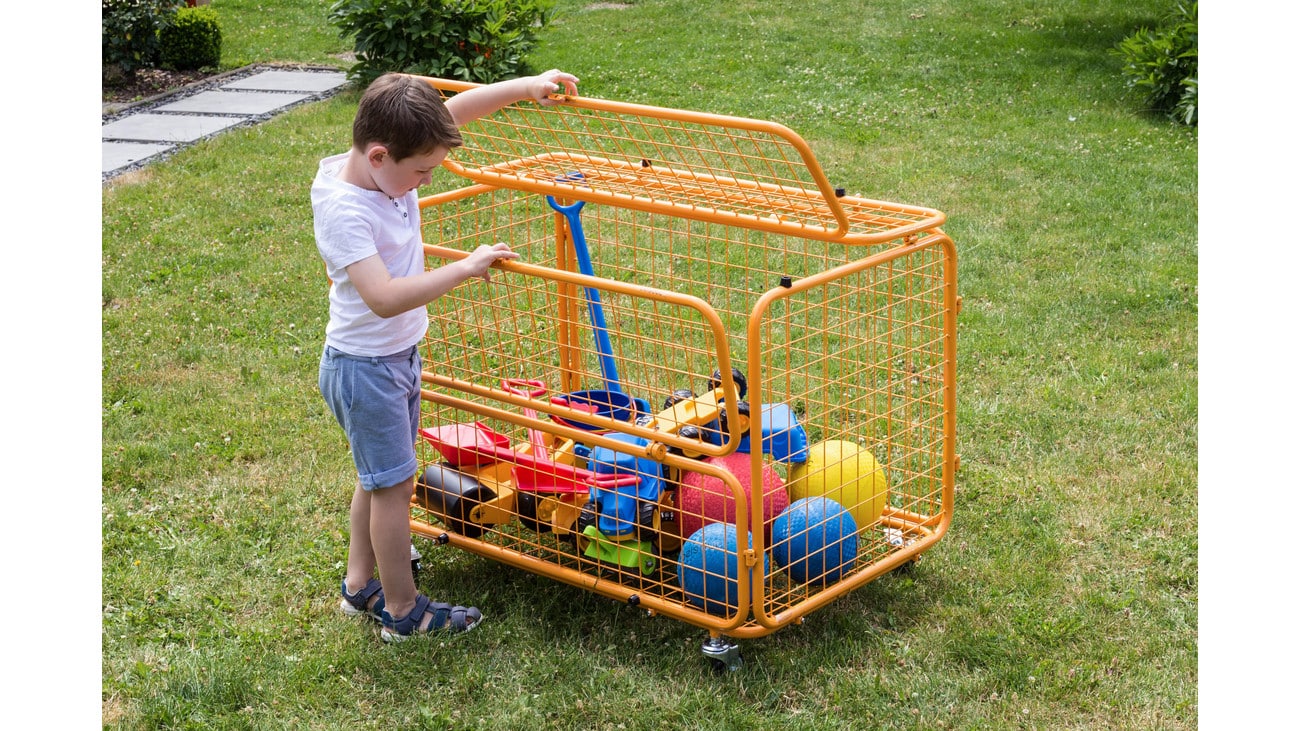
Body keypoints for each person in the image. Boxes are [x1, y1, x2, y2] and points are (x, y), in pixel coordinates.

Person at [313, 69, 579, 640]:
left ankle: (361, 585)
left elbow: (456, 113)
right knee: (393, 487)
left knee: (381, 477)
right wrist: (463, 267)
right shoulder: (347, 209)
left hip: (392, 359)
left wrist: (525, 86)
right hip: (366, 368)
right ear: (379, 156)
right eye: (421, 173)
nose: (424, 182)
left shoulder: (384, 164)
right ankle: (404, 614)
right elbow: (383, 298)